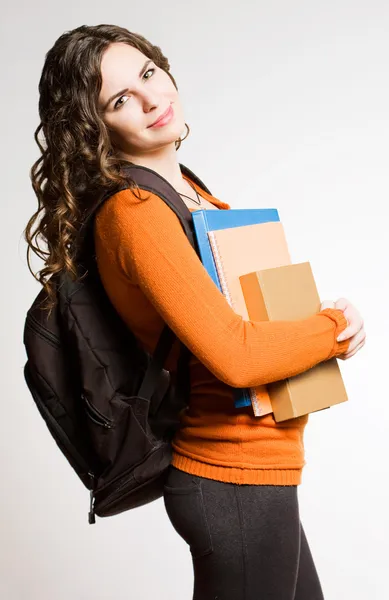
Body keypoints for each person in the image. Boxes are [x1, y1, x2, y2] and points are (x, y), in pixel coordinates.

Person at [24, 24, 366, 600]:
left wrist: (320, 319)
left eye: (148, 74)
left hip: (259, 474)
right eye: (120, 100)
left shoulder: (186, 191)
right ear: (96, 129)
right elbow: (236, 355)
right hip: (232, 479)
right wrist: (332, 331)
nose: (153, 100)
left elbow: (237, 324)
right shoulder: (136, 211)